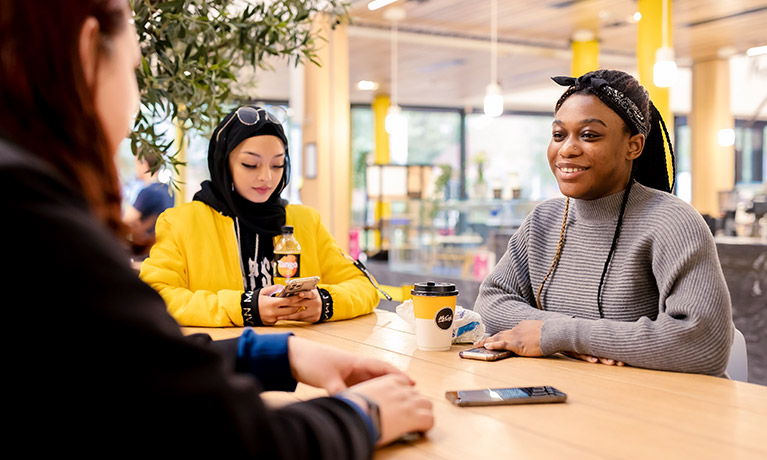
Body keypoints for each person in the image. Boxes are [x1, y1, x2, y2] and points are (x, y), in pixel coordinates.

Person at [0, 0, 433, 457]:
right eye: (133, 69)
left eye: (276, 165)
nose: (133, 111)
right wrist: (360, 414)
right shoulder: (33, 210)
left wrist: (278, 349)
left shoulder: (302, 220)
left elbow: (134, 364)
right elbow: (219, 432)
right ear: (89, 52)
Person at [474, 69, 734, 377]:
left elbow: (703, 343)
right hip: (568, 398)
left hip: (654, 410)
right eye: (559, 135)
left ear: (633, 146)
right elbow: (490, 304)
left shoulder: (671, 222)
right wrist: (574, 338)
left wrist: (561, 335)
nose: (567, 149)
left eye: (589, 135)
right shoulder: (543, 221)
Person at [139, 104, 380, 327]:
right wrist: (244, 307)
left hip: (302, 357)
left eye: (277, 165)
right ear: (224, 164)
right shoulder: (181, 223)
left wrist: (325, 303)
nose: (266, 177)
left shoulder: (305, 221)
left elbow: (365, 287)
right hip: (222, 360)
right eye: (250, 165)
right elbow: (154, 296)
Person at [122, 150, 175, 257]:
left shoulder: (147, 192)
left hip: (146, 252)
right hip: (164, 251)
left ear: (144, 165)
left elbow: (126, 220)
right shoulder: (170, 191)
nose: (135, 169)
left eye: (136, 164)